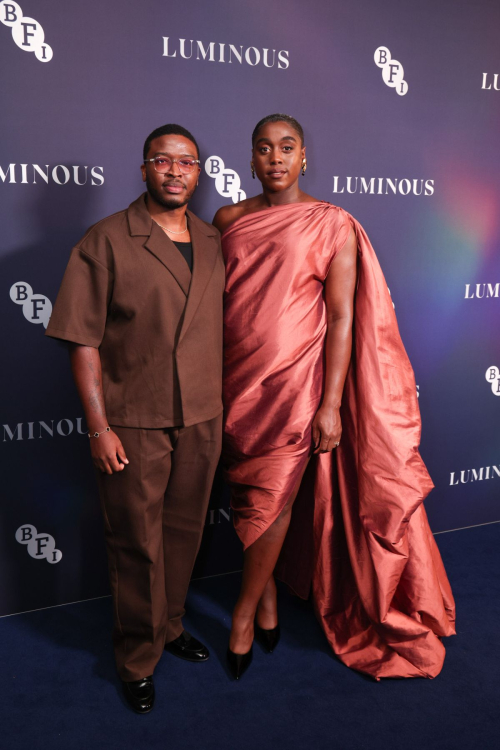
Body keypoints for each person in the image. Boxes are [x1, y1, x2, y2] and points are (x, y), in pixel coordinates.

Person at [213, 114, 455, 681]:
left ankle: (244, 615)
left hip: (298, 386)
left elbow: (344, 317)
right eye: (264, 148)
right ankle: (269, 595)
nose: (275, 158)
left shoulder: (332, 223)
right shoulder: (227, 219)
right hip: (232, 382)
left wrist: (329, 404)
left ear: (304, 158)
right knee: (252, 497)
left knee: (274, 495)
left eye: (287, 147)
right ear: (249, 160)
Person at [46, 124, 225, 712]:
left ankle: (169, 627)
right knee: (136, 545)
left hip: (201, 416)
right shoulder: (105, 240)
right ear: (143, 168)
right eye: (162, 160)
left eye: (188, 162)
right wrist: (99, 426)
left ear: (199, 173)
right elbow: (82, 340)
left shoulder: (213, 238)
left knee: (182, 535)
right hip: (133, 420)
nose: (175, 171)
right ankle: (135, 657)